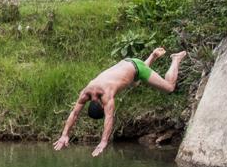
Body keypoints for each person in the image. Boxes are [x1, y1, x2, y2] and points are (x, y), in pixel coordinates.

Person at [53, 47, 187, 156]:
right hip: (127, 63)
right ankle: (152, 56)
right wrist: (64, 134)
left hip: (137, 68)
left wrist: (104, 141)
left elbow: (109, 118)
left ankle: (176, 59)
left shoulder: (107, 95)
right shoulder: (85, 93)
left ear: (102, 105)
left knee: (169, 87)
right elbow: (74, 113)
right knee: (133, 82)